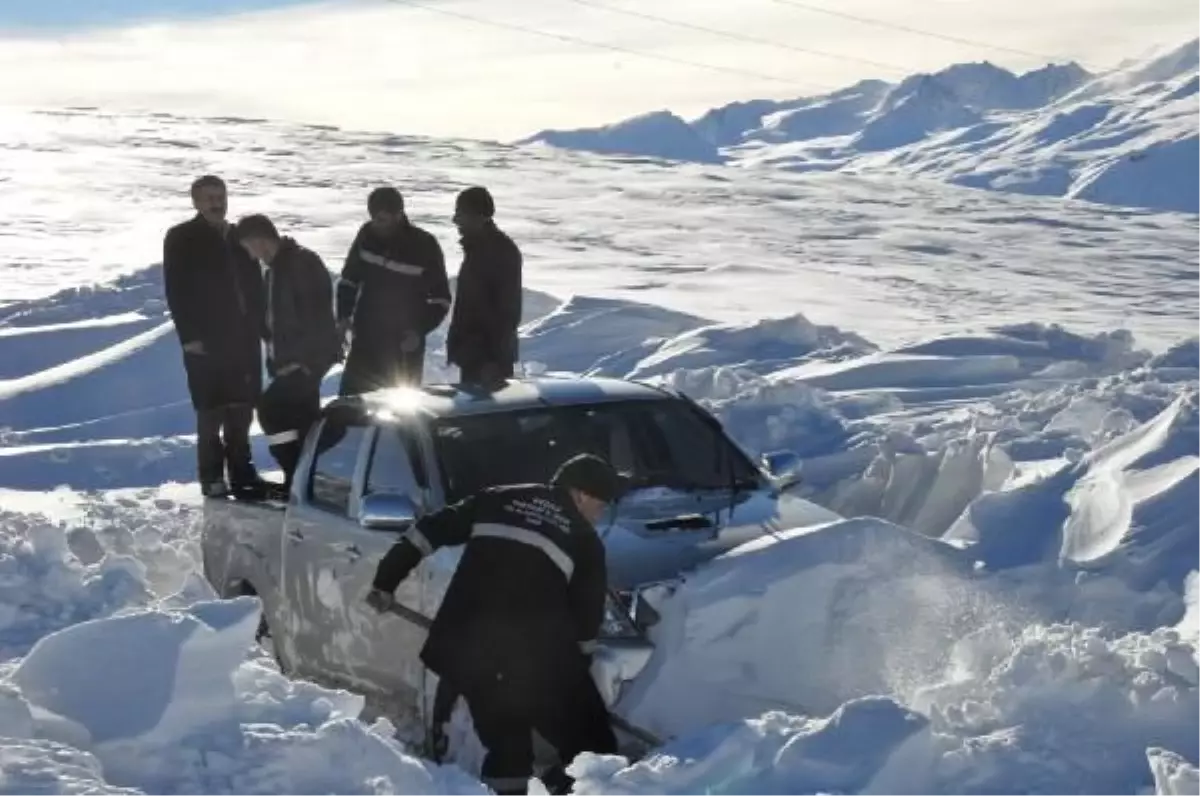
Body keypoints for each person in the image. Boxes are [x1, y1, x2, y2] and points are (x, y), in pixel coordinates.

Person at [365, 454, 622, 796]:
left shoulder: (499, 497)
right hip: (531, 655)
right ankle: (593, 787)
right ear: (581, 495)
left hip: (465, 648)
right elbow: (587, 618)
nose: (599, 515)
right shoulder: (584, 541)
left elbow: (427, 532)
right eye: (600, 506)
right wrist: (578, 670)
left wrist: (385, 581)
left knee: (507, 741)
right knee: (591, 739)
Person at [162, 174, 268, 499]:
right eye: (208, 197)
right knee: (211, 411)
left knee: (241, 409)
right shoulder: (181, 237)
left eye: (220, 196)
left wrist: (263, 328)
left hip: (243, 339)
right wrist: (189, 336)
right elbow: (175, 289)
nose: (216, 202)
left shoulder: (239, 236)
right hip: (205, 339)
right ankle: (211, 478)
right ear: (195, 201)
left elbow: (256, 285)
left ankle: (242, 472)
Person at [234, 214, 340, 492]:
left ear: (259, 240)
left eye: (248, 246)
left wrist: (306, 363)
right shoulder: (274, 271)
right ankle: (304, 481)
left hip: (305, 363)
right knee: (301, 421)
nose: (249, 254)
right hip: (290, 363)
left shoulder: (301, 263)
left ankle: (297, 475)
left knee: (271, 409)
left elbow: (318, 315)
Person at [336, 187, 451, 394]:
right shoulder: (366, 235)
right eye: (373, 218)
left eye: (382, 219)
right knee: (350, 405)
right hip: (366, 341)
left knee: (400, 412)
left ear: (399, 215)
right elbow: (348, 281)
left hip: (403, 348)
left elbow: (441, 300)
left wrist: (418, 330)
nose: (377, 224)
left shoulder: (424, 245)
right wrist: (343, 316)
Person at [445, 186, 523, 390]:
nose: (455, 220)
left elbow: (507, 311)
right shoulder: (478, 250)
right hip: (475, 356)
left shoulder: (500, 252)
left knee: (488, 419)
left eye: (460, 214)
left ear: (478, 216)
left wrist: (491, 361)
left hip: (487, 362)